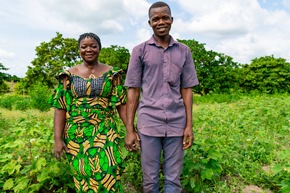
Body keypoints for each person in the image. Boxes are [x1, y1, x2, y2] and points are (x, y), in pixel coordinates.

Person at [124, 1, 199, 193]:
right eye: (155, 19)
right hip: (149, 122)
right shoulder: (139, 51)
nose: (161, 22)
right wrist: (130, 129)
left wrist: (189, 125)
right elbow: (133, 90)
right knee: (150, 180)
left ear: (171, 20)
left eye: (165, 17)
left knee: (174, 180)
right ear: (149, 23)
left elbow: (187, 89)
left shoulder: (184, 51)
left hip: (176, 122)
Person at [49, 32, 127, 193]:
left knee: (110, 170)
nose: (88, 49)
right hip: (76, 135)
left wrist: (130, 130)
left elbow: (121, 104)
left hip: (105, 130)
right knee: (83, 176)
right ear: (79, 50)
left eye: (93, 46)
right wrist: (57, 139)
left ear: (99, 48)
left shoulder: (113, 74)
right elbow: (60, 107)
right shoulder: (67, 76)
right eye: (84, 47)